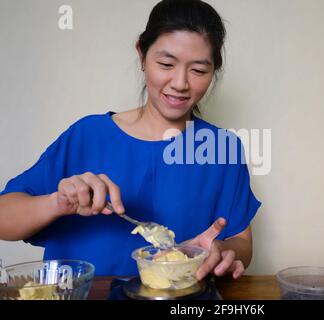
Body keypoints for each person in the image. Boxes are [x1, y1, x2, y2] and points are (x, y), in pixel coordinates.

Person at [0, 0, 261, 280]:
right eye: (166, 64)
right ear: (142, 55)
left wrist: (221, 250)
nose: (180, 83)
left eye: (198, 70)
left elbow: (242, 242)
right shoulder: (87, 136)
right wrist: (56, 203)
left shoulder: (222, 149)